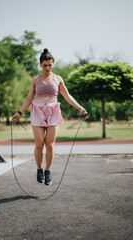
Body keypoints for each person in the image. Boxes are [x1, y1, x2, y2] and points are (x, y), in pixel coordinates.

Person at [12, 48, 87, 186]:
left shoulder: (58, 79)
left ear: (53, 64)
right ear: (40, 64)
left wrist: (80, 107)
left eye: (50, 65)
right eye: (45, 65)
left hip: (53, 111)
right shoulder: (35, 80)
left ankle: (48, 171)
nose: (47, 68)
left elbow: (67, 96)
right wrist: (19, 112)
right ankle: (39, 169)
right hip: (38, 111)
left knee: (50, 145)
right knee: (39, 143)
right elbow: (29, 98)